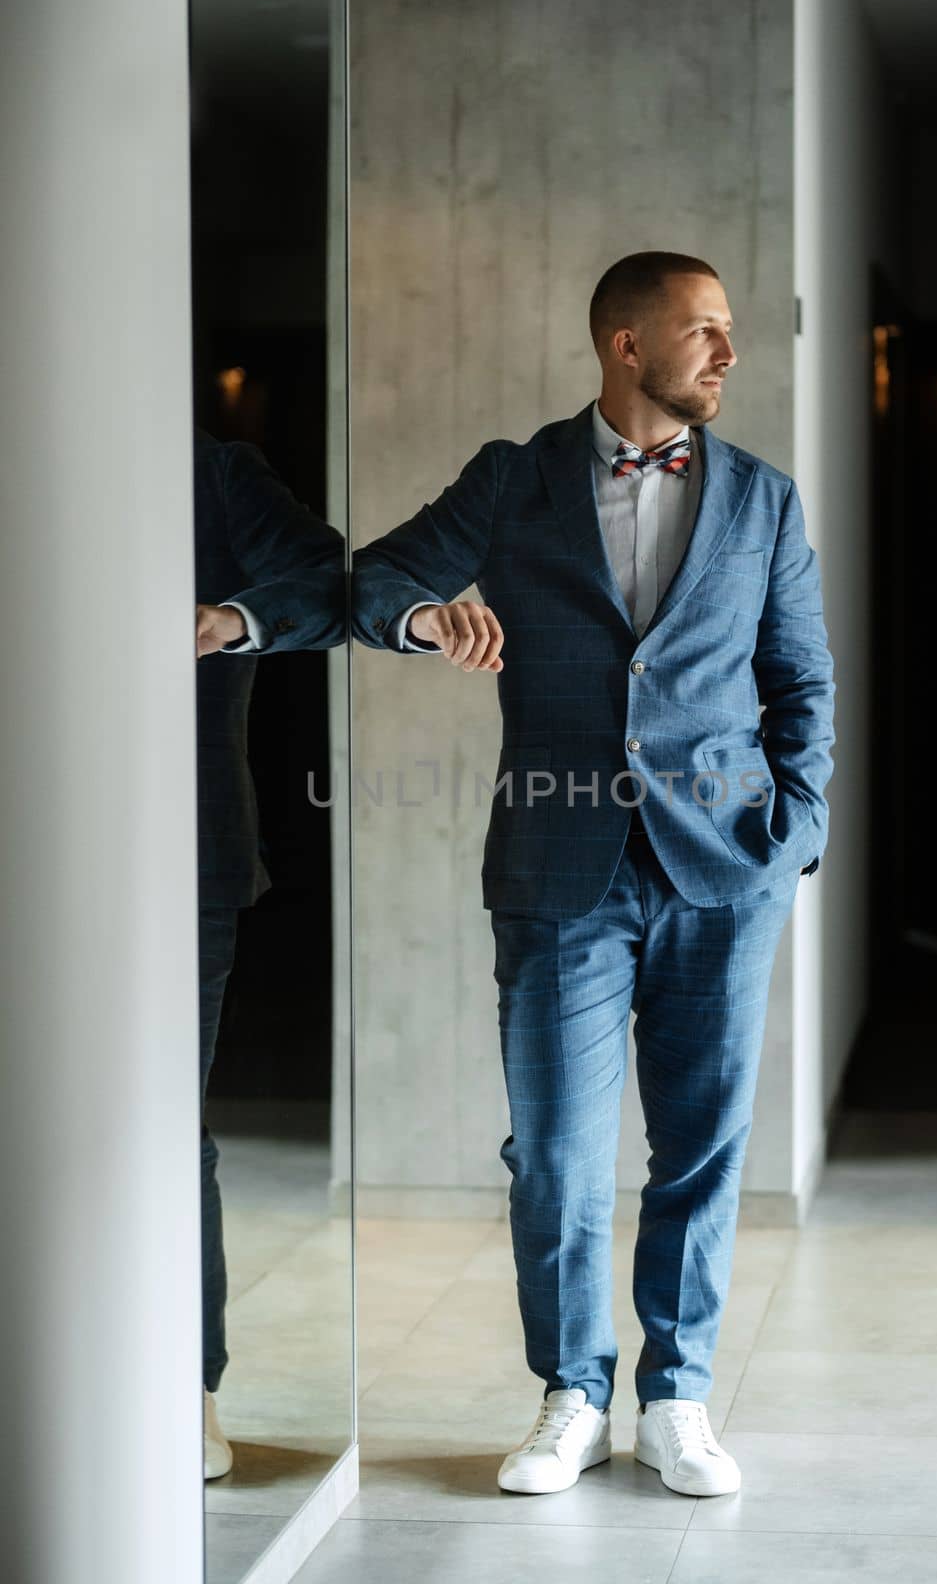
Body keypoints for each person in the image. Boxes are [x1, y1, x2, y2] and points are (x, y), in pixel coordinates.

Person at [206, 250, 835, 1499]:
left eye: (726, 331)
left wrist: (795, 836)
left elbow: (801, 681)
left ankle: (677, 1396)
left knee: (703, 1144)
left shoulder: (764, 499)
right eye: (701, 328)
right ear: (624, 343)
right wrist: (429, 617)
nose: (725, 351)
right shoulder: (516, 479)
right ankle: (572, 1392)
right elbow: (373, 579)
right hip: (559, 871)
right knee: (551, 1148)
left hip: (727, 865)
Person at [193, 429, 345, 1477]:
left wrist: (231, 619)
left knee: (157, 1129)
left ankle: (185, 1386)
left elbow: (329, 582)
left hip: (178, 853)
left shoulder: (210, 469)